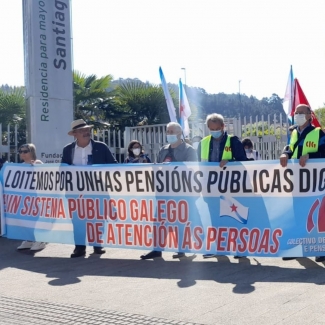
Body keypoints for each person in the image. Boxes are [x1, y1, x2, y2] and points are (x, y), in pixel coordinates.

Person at [140, 122, 198, 260]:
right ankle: (157, 249)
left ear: (179, 133)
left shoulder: (189, 150)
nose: (169, 134)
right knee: (159, 221)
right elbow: (158, 167)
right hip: (164, 192)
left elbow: (192, 169)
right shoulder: (163, 150)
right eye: (167, 132)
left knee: (180, 221)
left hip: (181, 192)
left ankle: (182, 249)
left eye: (171, 131)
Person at [62, 119, 117, 258]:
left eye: (87, 130)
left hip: (97, 190)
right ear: (75, 134)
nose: (86, 132)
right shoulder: (68, 149)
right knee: (78, 219)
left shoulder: (101, 147)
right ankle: (79, 248)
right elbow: (62, 169)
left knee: (98, 218)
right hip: (76, 192)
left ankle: (97, 245)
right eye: (82, 131)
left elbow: (114, 165)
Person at [197, 113, 247, 258]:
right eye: (211, 129)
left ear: (223, 126)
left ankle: (240, 249)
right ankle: (218, 248)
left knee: (233, 217)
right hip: (210, 187)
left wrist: (230, 163)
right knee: (215, 219)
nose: (214, 131)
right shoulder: (203, 143)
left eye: (216, 128)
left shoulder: (233, 141)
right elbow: (199, 165)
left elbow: (243, 162)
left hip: (230, 187)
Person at [280, 104, 325, 262]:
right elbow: (290, 148)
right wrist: (285, 153)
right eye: (296, 113)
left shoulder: (318, 133)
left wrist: (310, 156)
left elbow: (323, 152)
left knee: (316, 213)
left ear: (309, 115)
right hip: (297, 179)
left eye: (301, 113)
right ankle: (297, 248)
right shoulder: (293, 133)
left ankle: (320, 249)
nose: (297, 115)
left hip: (314, 181)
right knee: (297, 214)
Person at [17, 144, 46, 251]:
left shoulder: (37, 163)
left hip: (37, 196)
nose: (22, 154)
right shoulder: (20, 166)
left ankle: (41, 240)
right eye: (20, 151)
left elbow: (45, 177)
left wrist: (36, 168)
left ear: (31, 152)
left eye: (25, 151)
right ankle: (29, 239)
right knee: (27, 218)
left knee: (37, 218)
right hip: (26, 198)